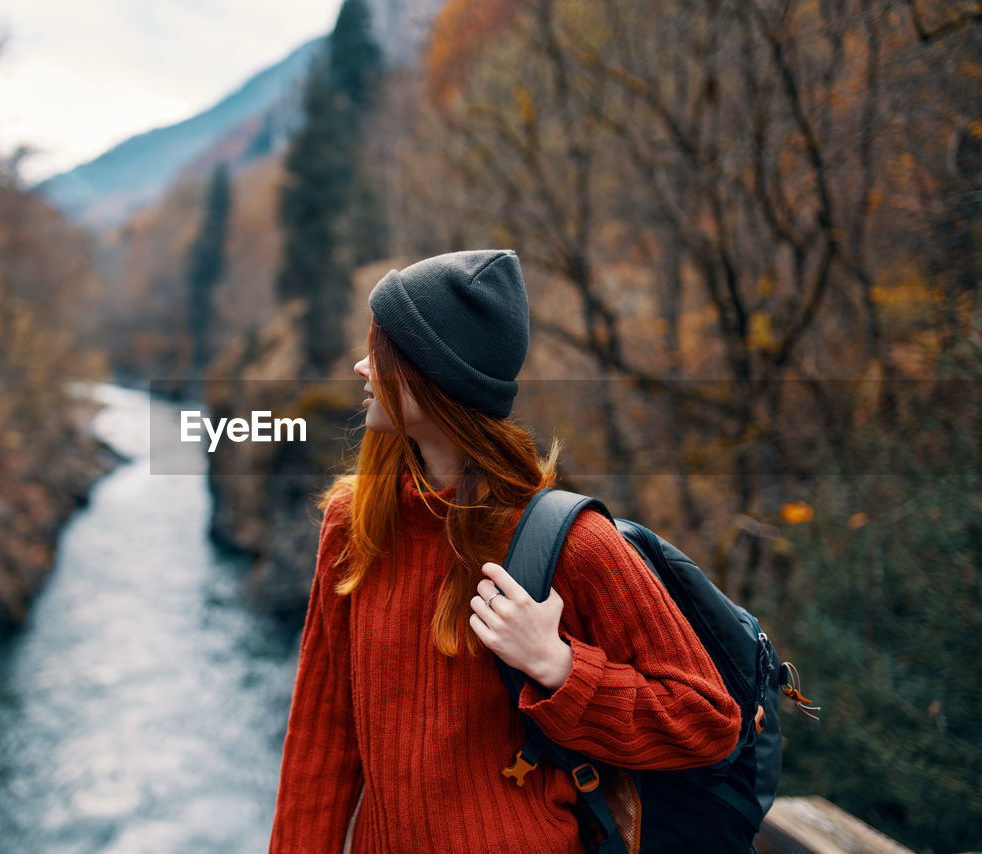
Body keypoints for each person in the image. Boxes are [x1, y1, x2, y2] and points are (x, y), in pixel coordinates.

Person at [268, 250, 740, 853]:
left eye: (381, 352)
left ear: (437, 375)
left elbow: (707, 721)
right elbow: (323, 735)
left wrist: (560, 668)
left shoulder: (570, 541)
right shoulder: (353, 524)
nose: (362, 367)